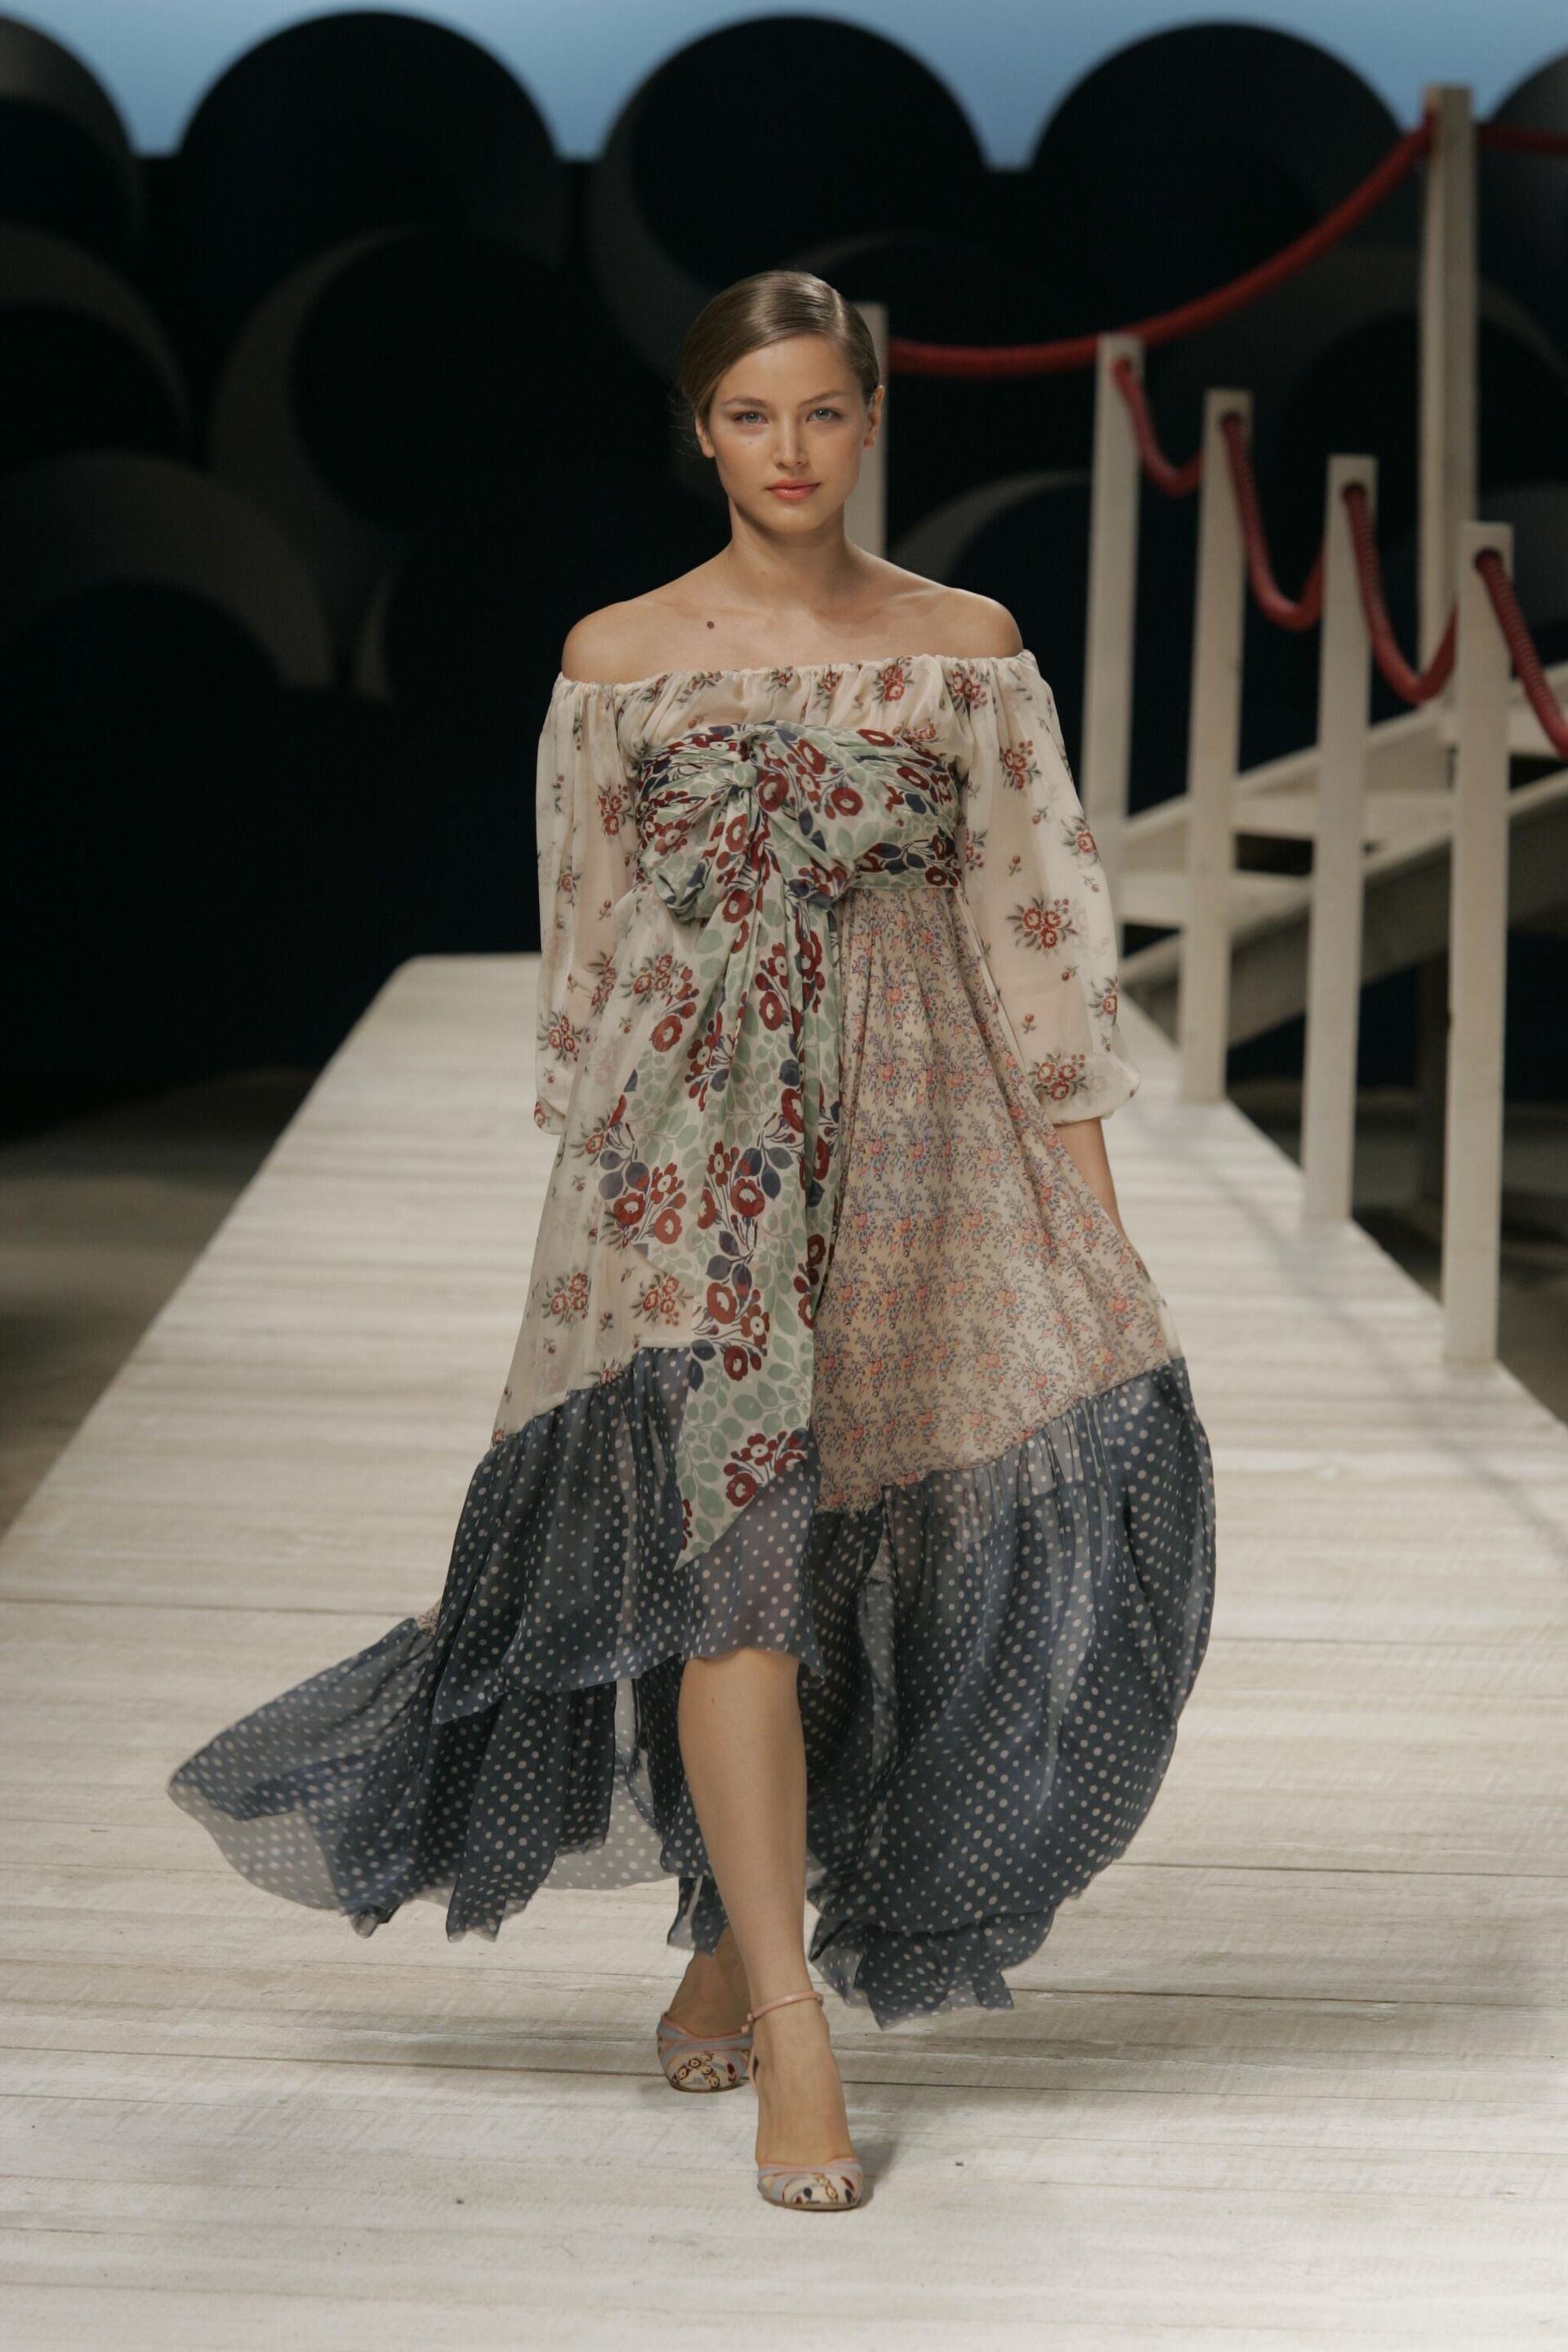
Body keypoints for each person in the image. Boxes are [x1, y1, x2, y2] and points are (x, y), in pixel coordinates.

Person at [168, 268, 1218, 2216]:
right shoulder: (619, 660)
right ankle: (795, 2025)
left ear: (872, 418)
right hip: (697, 1171)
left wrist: (1087, 1232)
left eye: (822, 411)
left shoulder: (966, 650)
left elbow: (1044, 944)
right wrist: (600, 1247)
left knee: (876, 1553)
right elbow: (590, 963)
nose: (789, 451)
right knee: (736, 1565)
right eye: (751, 415)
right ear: (702, 432)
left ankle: (736, 1933)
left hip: (922, 1151)